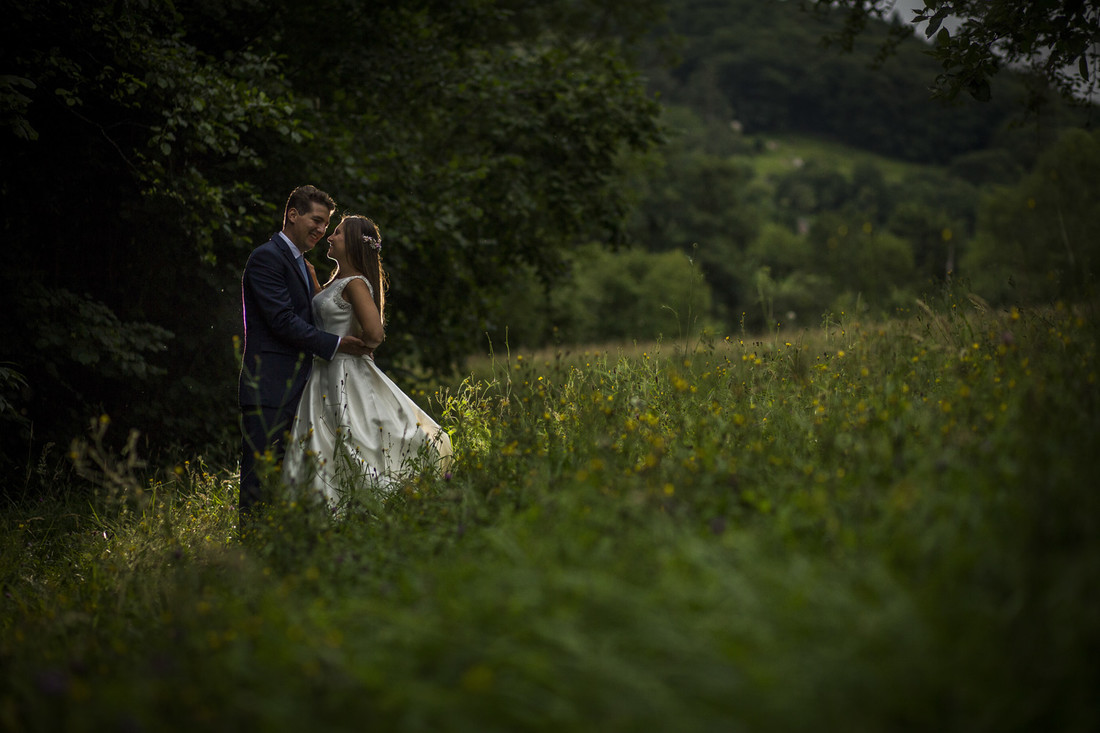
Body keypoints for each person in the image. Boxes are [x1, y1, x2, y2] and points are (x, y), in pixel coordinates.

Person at [283, 214, 452, 507]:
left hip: (343, 373)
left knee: (349, 437)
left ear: (351, 244)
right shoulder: (339, 282)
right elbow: (332, 316)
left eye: (336, 232)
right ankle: (326, 503)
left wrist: (353, 347)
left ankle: (356, 502)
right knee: (327, 439)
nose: (329, 237)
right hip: (324, 371)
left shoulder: (357, 284)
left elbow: (374, 333)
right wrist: (312, 281)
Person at [238, 185, 371, 533]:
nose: (321, 229)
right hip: (269, 386)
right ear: (293, 214)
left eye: (327, 225)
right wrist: (338, 343)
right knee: (259, 479)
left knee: (287, 477)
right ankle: (249, 552)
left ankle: (281, 548)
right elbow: (282, 322)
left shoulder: (301, 264)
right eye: (316, 220)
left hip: (301, 388)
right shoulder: (267, 257)